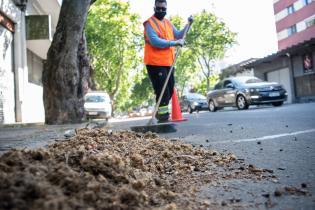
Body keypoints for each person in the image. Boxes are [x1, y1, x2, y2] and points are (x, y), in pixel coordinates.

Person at [143, 0, 193, 123]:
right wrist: (174, 43)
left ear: (166, 9)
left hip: (168, 63)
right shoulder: (149, 23)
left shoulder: (168, 23)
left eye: (163, 9)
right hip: (155, 63)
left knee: (169, 89)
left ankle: (159, 113)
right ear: (154, 8)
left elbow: (179, 35)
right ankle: (163, 119)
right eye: (158, 8)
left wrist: (188, 25)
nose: (161, 11)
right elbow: (155, 41)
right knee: (162, 91)